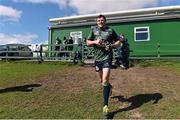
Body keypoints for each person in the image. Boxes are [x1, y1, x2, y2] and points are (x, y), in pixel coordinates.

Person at [86, 14, 122, 115]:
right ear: (97, 22)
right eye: (98, 20)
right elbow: (87, 42)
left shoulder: (110, 30)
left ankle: (105, 106)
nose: (100, 22)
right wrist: (95, 41)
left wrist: (112, 46)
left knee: (105, 79)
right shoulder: (93, 30)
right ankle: (109, 87)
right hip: (97, 59)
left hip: (107, 58)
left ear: (105, 21)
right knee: (102, 81)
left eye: (102, 20)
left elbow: (119, 41)